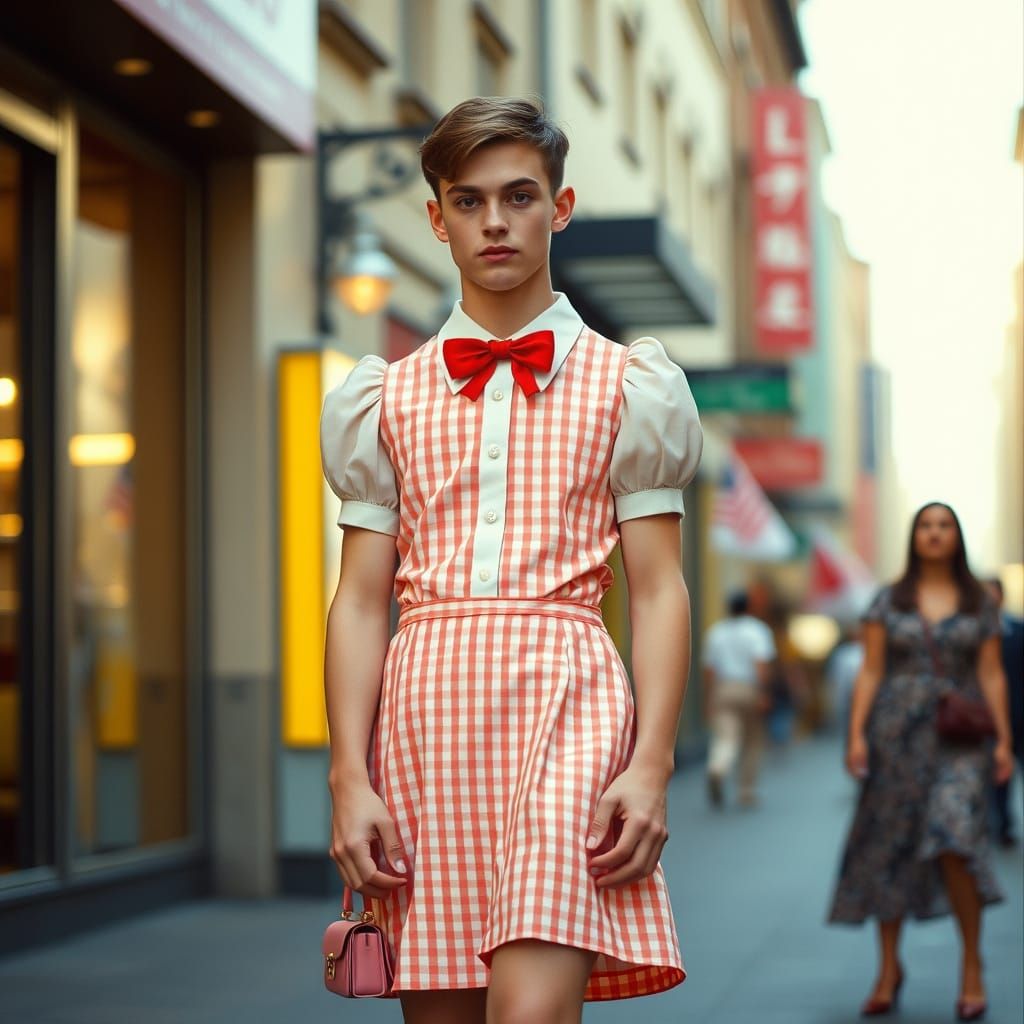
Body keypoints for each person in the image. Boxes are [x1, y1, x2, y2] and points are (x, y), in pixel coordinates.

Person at [319, 97, 702, 1022]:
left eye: (519, 196)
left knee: (530, 1014)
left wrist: (650, 764)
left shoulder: (632, 384)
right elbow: (361, 601)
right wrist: (348, 774)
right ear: (437, 216)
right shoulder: (384, 399)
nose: (495, 221)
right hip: (422, 719)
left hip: (568, 705)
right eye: (468, 200)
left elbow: (657, 592)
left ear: (560, 208)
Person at [828, 503, 1013, 1021]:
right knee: (890, 846)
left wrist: (1003, 741)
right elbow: (870, 670)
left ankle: (972, 963)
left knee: (957, 839)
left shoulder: (979, 600)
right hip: (895, 736)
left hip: (961, 740)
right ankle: (888, 968)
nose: (935, 534)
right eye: (926, 526)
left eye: (944, 525)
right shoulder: (888, 598)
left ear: (957, 535)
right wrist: (855, 736)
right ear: (915, 537)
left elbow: (993, 673)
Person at [701, 591, 776, 808]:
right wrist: (764, 692)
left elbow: (709, 669)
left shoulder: (716, 632)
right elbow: (761, 664)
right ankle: (746, 790)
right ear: (748, 607)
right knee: (752, 740)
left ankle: (718, 767)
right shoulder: (757, 630)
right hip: (749, 689)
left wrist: (708, 698)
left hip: (722, 689)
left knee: (726, 736)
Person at [986, 577, 1024, 846]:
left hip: (1021, 714)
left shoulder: (1018, 629)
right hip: (989, 717)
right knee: (999, 776)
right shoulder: (973, 633)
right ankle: (1002, 825)